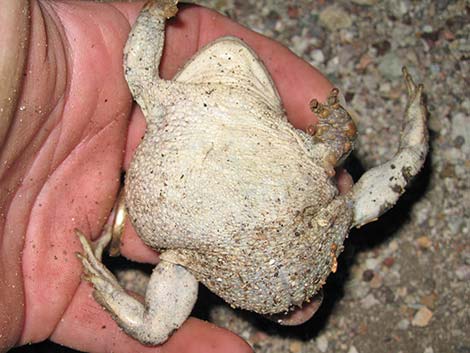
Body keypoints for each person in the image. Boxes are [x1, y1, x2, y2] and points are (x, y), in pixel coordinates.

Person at [0, 1, 352, 352]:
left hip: (191, 222)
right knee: (155, 327)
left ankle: (101, 280)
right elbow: (334, 147)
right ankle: (101, 280)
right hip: (181, 221)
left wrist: (153, 16)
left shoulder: (166, 98)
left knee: (156, 328)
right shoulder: (168, 100)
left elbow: (138, 69)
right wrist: (336, 130)